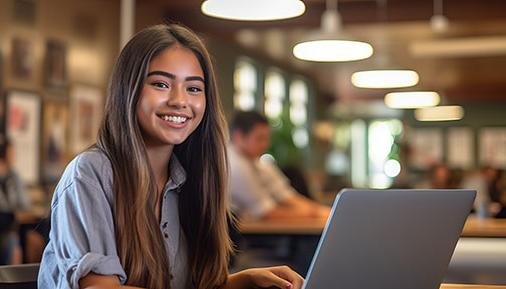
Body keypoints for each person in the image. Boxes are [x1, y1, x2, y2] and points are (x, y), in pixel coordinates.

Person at [38, 24, 303, 289]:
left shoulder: (191, 178)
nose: (179, 100)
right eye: (161, 84)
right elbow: (100, 288)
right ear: (128, 89)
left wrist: (243, 282)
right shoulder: (90, 173)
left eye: (194, 88)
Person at [228, 111, 330, 221]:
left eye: (267, 138)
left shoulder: (257, 163)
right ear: (238, 136)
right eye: (260, 138)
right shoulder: (234, 166)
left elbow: (286, 196)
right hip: (240, 234)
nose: (266, 145)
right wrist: (315, 214)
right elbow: (267, 213)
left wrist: (320, 211)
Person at [0, 138, 30, 265]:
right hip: (4, 226)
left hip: (14, 225)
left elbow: (25, 204)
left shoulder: (14, 176)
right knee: (13, 243)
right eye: (11, 153)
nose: (14, 156)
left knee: (37, 238)